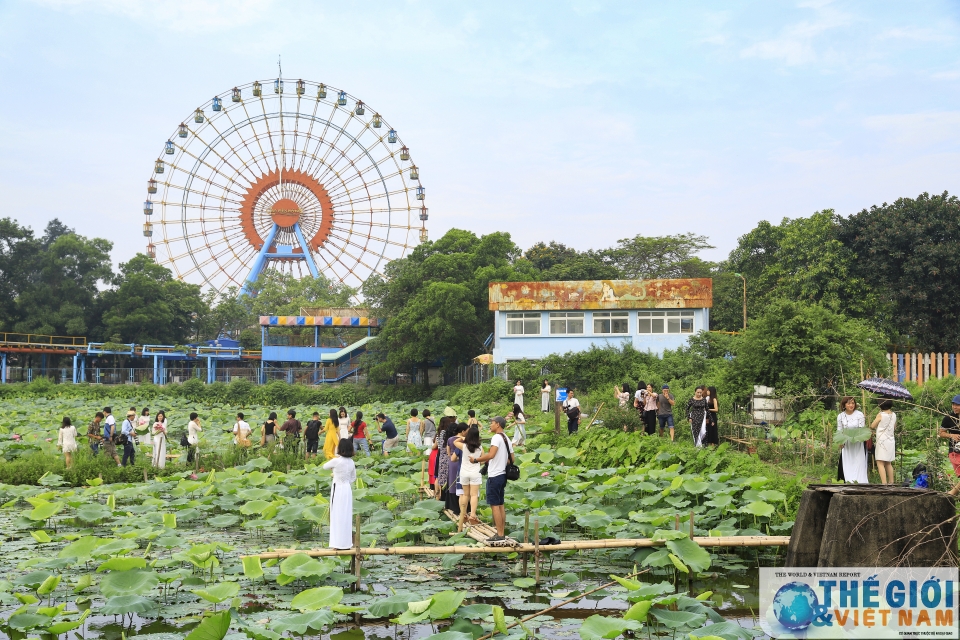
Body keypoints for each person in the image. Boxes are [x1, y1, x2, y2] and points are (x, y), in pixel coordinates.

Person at [468, 416, 513, 542]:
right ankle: (501, 532)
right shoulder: (506, 439)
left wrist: (476, 460)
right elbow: (511, 459)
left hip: (495, 475)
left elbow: (491, 455)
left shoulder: (496, 437)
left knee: (494, 505)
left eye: (492, 423)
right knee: (500, 504)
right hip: (503, 474)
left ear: (498, 424)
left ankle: (499, 535)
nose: (490, 425)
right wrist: (501, 460)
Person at [323, 438, 357, 549]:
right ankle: (346, 544)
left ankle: (337, 544)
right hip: (347, 489)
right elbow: (353, 478)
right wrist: (345, 482)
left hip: (338, 488)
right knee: (346, 515)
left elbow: (324, 466)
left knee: (337, 514)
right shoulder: (351, 462)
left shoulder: (337, 461)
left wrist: (334, 468)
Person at [455, 424, 483, 531]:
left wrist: (462, 438)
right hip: (475, 472)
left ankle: (463, 514)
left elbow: (454, 442)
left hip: (464, 473)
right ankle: (473, 515)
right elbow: (483, 459)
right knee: (474, 495)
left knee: (465, 494)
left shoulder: (464, 446)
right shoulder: (480, 447)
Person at [837, 396, 868, 483]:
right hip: (847, 444)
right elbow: (839, 429)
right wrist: (840, 441)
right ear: (844, 405)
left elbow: (862, 428)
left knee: (858, 462)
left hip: (857, 442)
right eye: (849, 403)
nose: (851, 405)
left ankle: (860, 481)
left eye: (853, 403)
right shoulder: (841, 416)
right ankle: (848, 481)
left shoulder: (859, 414)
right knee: (848, 462)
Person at [871, 399, 897, 484]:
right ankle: (891, 482)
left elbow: (872, 426)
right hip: (890, 440)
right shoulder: (894, 415)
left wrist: (877, 419)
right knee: (888, 462)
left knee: (880, 461)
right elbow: (894, 427)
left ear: (880, 405)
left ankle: (884, 483)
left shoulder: (881, 415)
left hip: (882, 441)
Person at [445, 422, 468, 513]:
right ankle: (464, 508)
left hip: (452, 461)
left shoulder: (450, 439)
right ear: (463, 431)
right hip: (462, 462)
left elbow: (448, 452)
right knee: (461, 485)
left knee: (452, 483)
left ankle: (453, 507)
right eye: (466, 431)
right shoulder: (464, 440)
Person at [939, 394, 960, 478]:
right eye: (953, 405)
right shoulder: (948, 418)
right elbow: (941, 433)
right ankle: (952, 491)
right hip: (954, 451)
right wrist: (951, 435)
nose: (954, 407)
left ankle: (953, 491)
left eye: (957, 405)